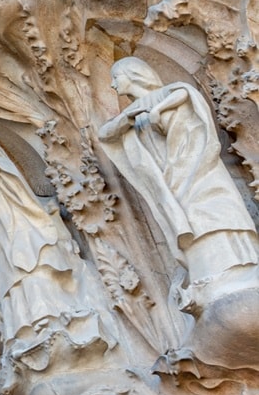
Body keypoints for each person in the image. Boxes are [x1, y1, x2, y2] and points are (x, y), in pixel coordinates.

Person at [97, 57, 259, 301]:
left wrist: (158, 109)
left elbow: (185, 93)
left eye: (116, 77)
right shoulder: (132, 115)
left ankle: (239, 270)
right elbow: (105, 134)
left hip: (198, 171)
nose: (112, 85)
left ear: (135, 75)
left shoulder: (172, 92)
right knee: (192, 224)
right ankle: (208, 277)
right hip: (172, 183)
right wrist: (131, 116)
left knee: (215, 217)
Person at [0, 133, 104, 348]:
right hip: (3, 245)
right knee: (16, 285)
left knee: (36, 274)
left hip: (26, 233)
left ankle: (57, 319)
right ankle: (27, 332)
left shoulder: (1, 166)